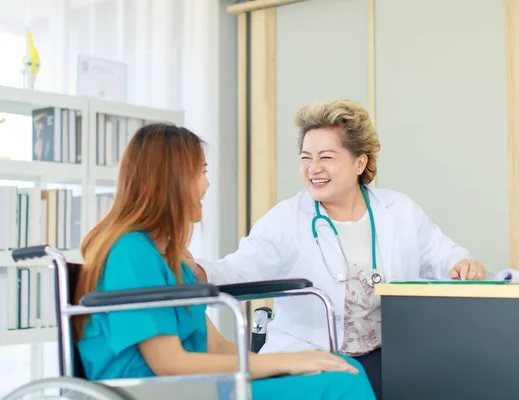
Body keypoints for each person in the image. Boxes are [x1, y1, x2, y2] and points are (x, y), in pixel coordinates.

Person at [193, 99, 488, 400]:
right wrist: (200, 272)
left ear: (359, 163)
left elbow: (444, 255)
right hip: (310, 358)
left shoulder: (399, 211)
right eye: (306, 157)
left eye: (326, 157)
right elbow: (241, 270)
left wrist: (463, 264)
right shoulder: (285, 219)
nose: (313, 168)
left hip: (385, 357)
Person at [72, 123, 377, 400]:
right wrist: (288, 361)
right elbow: (168, 364)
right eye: (201, 172)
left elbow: (214, 345)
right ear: (173, 179)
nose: (206, 185)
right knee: (343, 385)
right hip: (161, 392)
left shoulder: (164, 257)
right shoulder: (130, 253)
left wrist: (294, 362)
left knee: (342, 368)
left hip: (199, 386)